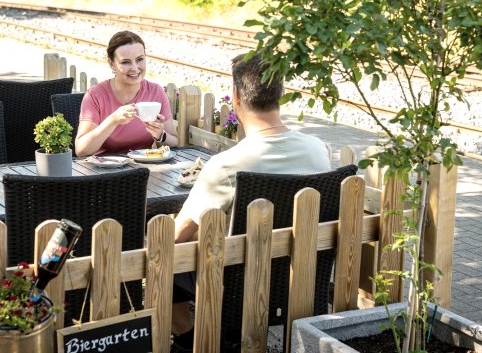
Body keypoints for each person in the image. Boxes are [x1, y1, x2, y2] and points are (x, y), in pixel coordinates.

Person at [170, 53, 331, 352]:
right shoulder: (319, 150)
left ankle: (190, 340)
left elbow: (175, 238)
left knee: (168, 260)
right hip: (304, 280)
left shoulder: (226, 165)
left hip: (238, 291)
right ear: (281, 95)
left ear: (235, 99)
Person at [75, 30, 178, 156]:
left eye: (139, 59)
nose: (134, 68)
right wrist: (113, 120)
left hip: (144, 169)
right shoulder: (95, 95)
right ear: (112, 64)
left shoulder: (156, 92)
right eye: (125, 62)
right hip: (103, 170)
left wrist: (160, 135)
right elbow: (81, 149)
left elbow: (174, 142)